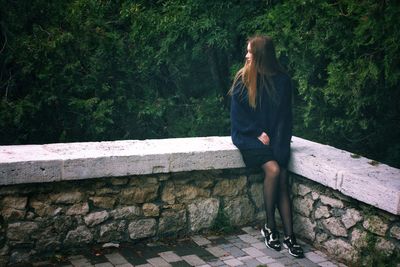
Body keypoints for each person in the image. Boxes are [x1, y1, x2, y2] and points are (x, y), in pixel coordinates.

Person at [229, 35, 304, 258]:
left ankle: (290, 236)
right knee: (272, 170)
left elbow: (284, 120)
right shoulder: (243, 79)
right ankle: (270, 227)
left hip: (276, 139)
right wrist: (256, 132)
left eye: (250, 52)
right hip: (249, 138)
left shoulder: (282, 81)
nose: (246, 56)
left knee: (280, 175)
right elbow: (237, 117)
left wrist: (281, 149)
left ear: (261, 55)